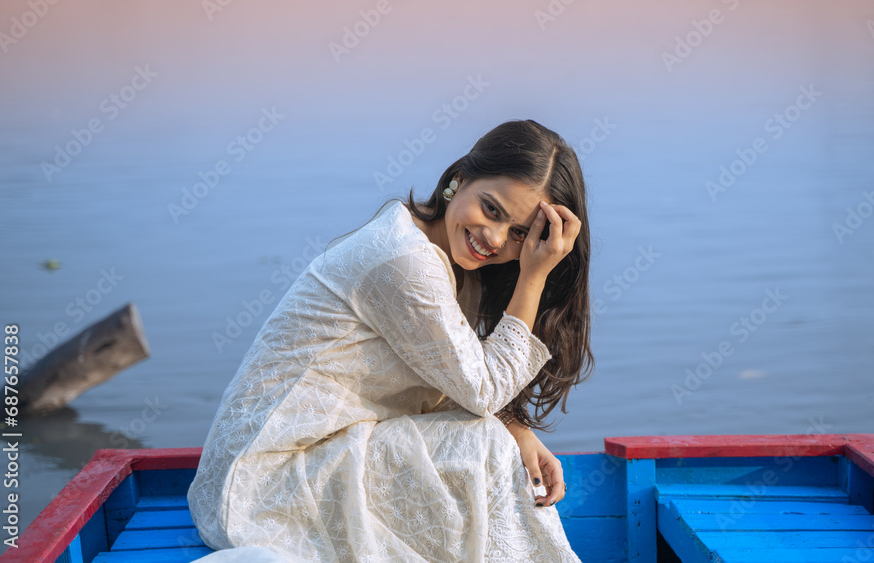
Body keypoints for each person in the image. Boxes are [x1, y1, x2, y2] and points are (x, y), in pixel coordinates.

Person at [187, 119, 594, 562]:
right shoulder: (403, 259)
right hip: (260, 484)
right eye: (491, 209)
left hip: (328, 451)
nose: (494, 239)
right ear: (459, 180)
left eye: (520, 234)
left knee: (494, 442)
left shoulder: (454, 262)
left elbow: (457, 384)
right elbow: (481, 391)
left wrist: (519, 430)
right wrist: (535, 275)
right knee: (486, 445)